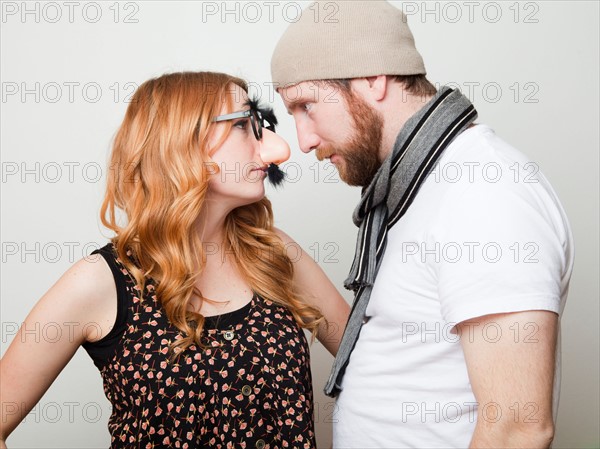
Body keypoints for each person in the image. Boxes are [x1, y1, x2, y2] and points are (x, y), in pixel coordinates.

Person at [271, 1, 574, 448]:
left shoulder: (483, 190)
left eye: (307, 106)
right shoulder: (418, 186)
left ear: (373, 78)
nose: (303, 141)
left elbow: (518, 427)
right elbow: (395, 350)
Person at [0, 71, 350, 448]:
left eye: (259, 124)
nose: (279, 148)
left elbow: (372, 363)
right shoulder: (101, 282)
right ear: (180, 141)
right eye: (242, 125)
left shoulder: (275, 254)